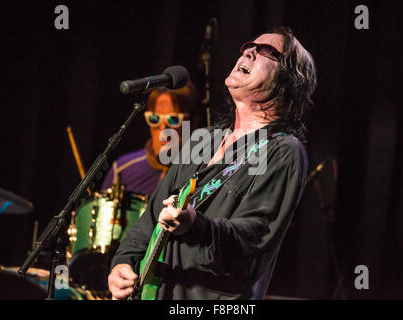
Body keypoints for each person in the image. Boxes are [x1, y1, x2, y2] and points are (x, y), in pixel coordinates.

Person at [108, 26, 317, 300]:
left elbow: (252, 238)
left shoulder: (283, 151)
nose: (249, 51)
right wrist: (123, 261)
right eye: (248, 47)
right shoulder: (201, 140)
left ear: (288, 80)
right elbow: (149, 219)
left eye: (267, 51)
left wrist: (196, 226)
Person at [100, 81, 202, 195]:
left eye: (173, 120)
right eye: (155, 119)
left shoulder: (202, 173)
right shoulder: (121, 170)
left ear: (193, 122)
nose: (163, 130)